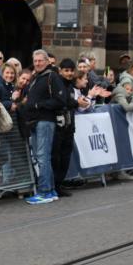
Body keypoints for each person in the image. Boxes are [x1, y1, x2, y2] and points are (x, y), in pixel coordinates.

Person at [18, 49, 65, 204]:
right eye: (35, 60)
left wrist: (39, 105)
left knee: (43, 157)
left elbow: (60, 100)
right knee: (42, 157)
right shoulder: (36, 78)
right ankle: (50, 191)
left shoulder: (52, 76)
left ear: (47, 61)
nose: (37, 63)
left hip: (45, 121)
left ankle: (44, 192)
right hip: (35, 122)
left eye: (40, 60)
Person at [51, 59, 80, 197]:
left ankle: (59, 184)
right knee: (56, 158)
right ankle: (54, 185)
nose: (69, 73)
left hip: (69, 127)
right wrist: (76, 103)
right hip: (58, 127)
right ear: (60, 70)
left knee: (65, 158)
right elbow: (61, 102)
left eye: (71, 70)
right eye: (66, 70)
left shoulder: (71, 85)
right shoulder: (57, 84)